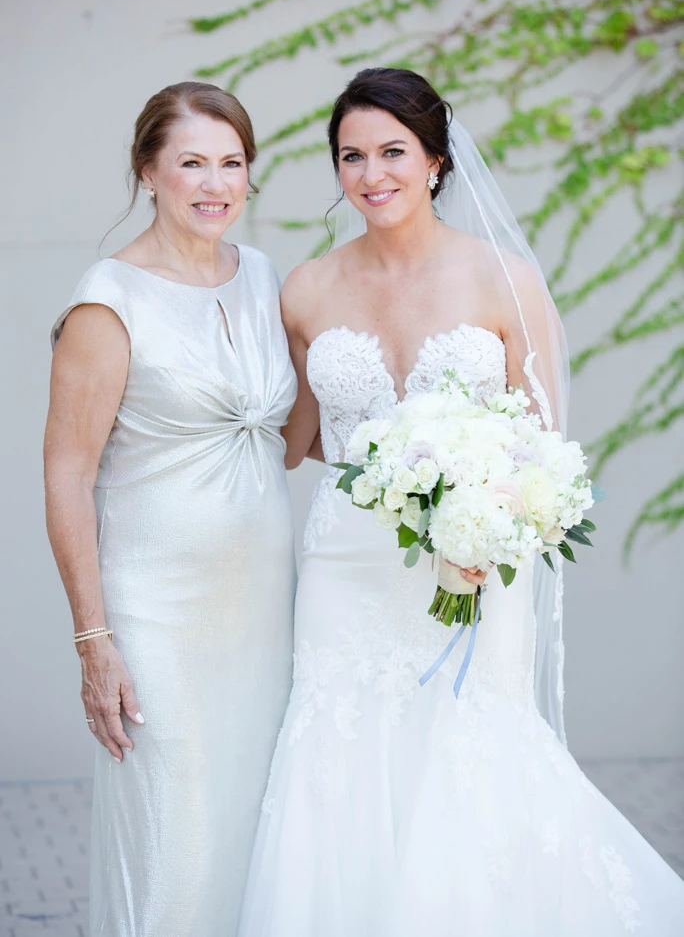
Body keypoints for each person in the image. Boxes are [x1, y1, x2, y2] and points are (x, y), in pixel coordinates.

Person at [237, 68, 684, 935]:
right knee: (341, 743)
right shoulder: (305, 289)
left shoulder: (503, 280)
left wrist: (488, 519)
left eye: (393, 151)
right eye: (351, 156)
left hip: (476, 557)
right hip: (346, 566)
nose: (373, 174)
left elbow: (548, 448)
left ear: (437, 159)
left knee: (468, 746)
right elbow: (293, 438)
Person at [44, 81, 297, 937]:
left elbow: (293, 435)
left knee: (255, 839)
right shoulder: (107, 301)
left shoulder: (260, 275)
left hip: (265, 612)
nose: (214, 183)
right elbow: (67, 474)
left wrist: (431, 459)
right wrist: (94, 642)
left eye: (232, 163)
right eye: (191, 162)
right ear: (148, 171)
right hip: (159, 619)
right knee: (177, 852)